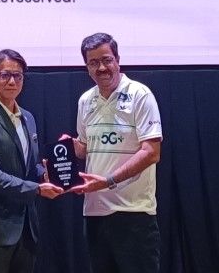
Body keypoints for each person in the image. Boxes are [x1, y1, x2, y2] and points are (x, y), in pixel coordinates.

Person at [0, 49, 64, 272]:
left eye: (18, 76)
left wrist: (46, 174)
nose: (12, 81)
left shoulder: (28, 117)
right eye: (5, 75)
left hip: (26, 229)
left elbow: (30, 165)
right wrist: (37, 189)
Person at [69, 33, 163, 273]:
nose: (101, 68)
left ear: (117, 60)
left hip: (133, 212)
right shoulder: (85, 100)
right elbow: (85, 149)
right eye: (93, 62)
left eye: (106, 60)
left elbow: (151, 152)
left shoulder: (140, 94)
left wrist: (108, 181)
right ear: (87, 67)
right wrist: (65, 151)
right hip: (95, 212)